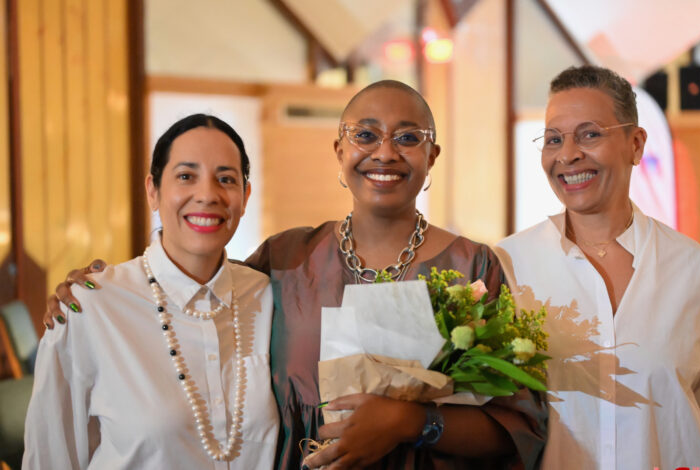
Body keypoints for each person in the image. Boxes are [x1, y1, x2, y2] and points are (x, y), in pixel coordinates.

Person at [43, 81, 547, 470]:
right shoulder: (287, 259)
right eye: (365, 135)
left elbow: (515, 424)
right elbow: (191, 287)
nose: (385, 153)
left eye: (409, 138)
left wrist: (410, 421)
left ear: (431, 156)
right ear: (339, 152)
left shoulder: (473, 267)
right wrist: (98, 290)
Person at [495, 65, 700, 470]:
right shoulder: (509, 264)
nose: (568, 153)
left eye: (590, 133)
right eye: (554, 138)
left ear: (636, 143)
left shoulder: (690, 265)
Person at [24, 114, 279, 468]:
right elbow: (50, 456)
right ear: (153, 191)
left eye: (226, 179)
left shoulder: (267, 296)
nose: (207, 194)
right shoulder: (90, 305)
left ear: (245, 195)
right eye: (186, 176)